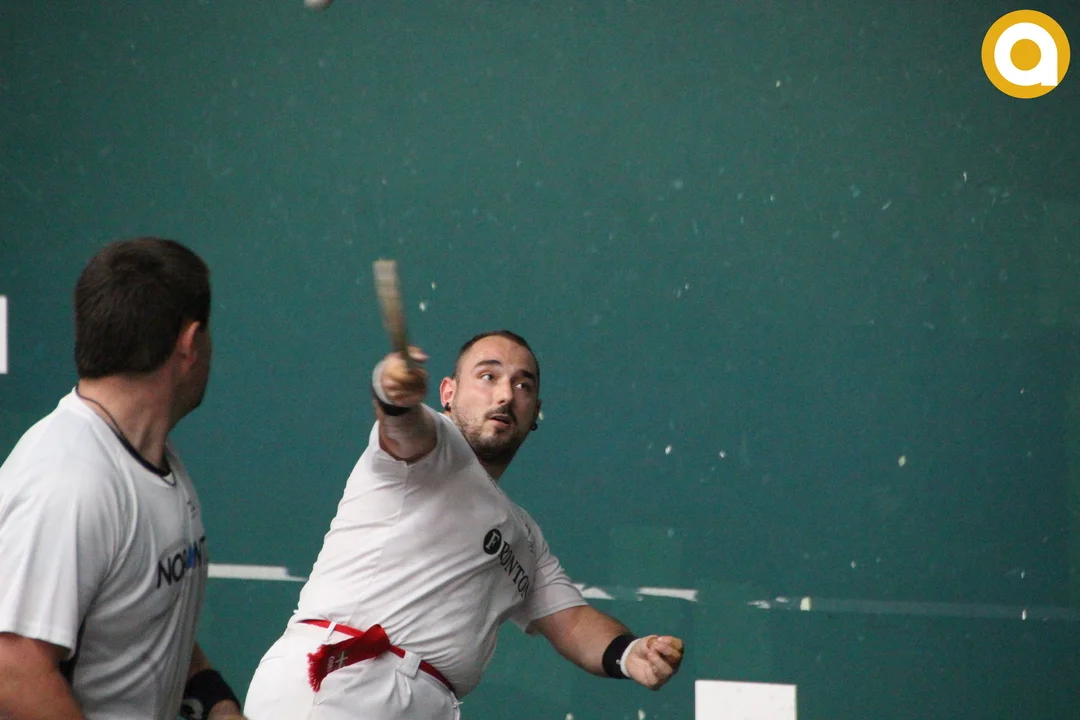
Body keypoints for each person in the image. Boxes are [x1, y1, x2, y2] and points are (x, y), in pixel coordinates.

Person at [244, 330, 684, 719]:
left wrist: (630, 653)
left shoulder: (525, 537)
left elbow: (572, 623)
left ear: (535, 413)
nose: (506, 394)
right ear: (448, 393)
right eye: (488, 376)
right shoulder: (435, 446)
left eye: (523, 385)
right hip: (346, 682)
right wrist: (392, 391)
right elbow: (401, 426)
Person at [0, 237, 246, 720]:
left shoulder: (152, 459)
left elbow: (138, 621)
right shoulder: (68, 480)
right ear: (190, 343)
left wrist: (216, 704)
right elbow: (12, 671)